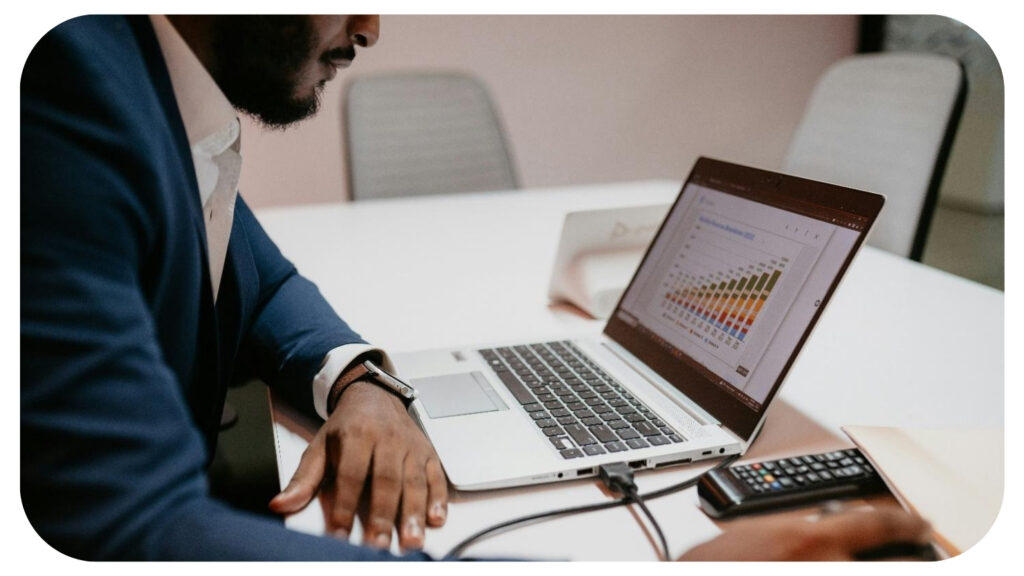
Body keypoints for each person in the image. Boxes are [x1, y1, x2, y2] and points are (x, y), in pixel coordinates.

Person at [20, 15, 930, 561]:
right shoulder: (64, 81)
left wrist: (363, 385)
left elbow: (255, 284)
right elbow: (132, 534)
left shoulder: (152, 84)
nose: (370, 26)